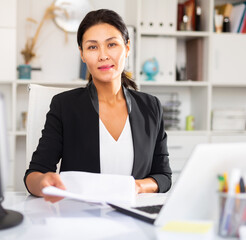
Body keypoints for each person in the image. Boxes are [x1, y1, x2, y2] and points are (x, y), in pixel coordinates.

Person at [24, 9, 172, 203]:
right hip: (81, 219)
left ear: (127, 48)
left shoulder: (151, 107)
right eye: (93, 47)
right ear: (82, 54)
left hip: (135, 219)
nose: (103, 55)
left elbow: (163, 176)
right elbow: (33, 175)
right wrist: (44, 182)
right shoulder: (64, 106)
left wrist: (137, 186)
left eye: (112, 44)